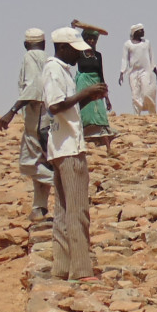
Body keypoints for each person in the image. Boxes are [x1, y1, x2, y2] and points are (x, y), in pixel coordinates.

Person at [43, 27, 108, 281]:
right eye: (75, 52)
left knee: (63, 210)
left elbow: (67, 108)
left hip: (62, 145)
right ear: (63, 48)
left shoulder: (61, 71)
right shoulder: (54, 70)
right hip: (68, 148)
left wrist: (89, 98)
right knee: (77, 209)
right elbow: (55, 106)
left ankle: (61, 267)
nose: (78, 58)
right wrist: (85, 93)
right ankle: (81, 269)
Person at [0, 28, 53, 222]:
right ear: (44, 44)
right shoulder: (47, 58)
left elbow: (33, 86)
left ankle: (65, 185)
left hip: (36, 114)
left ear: (26, 44)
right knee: (42, 160)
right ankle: (39, 207)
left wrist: (11, 111)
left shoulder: (30, 57)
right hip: (47, 114)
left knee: (29, 163)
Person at [77, 28, 118, 155]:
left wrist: (106, 96)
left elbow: (101, 74)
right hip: (83, 84)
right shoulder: (78, 53)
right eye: (89, 38)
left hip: (96, 84)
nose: (92, 41)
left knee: (100, 115)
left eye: (94, 39)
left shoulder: (98, 55)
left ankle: (108, 148)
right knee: (85, 114)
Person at [119, 24, 157, 115]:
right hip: (133, 73)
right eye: (141, 30)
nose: (143, 32)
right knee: (135, 95)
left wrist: (156, 73)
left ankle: (152, 113)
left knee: (147, 93)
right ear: (136, 32)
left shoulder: (147, 43)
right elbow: (124, 59)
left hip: (145, 71)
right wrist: (122, 72)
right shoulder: (127, 44)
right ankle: (137, 115)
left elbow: (151, 58)